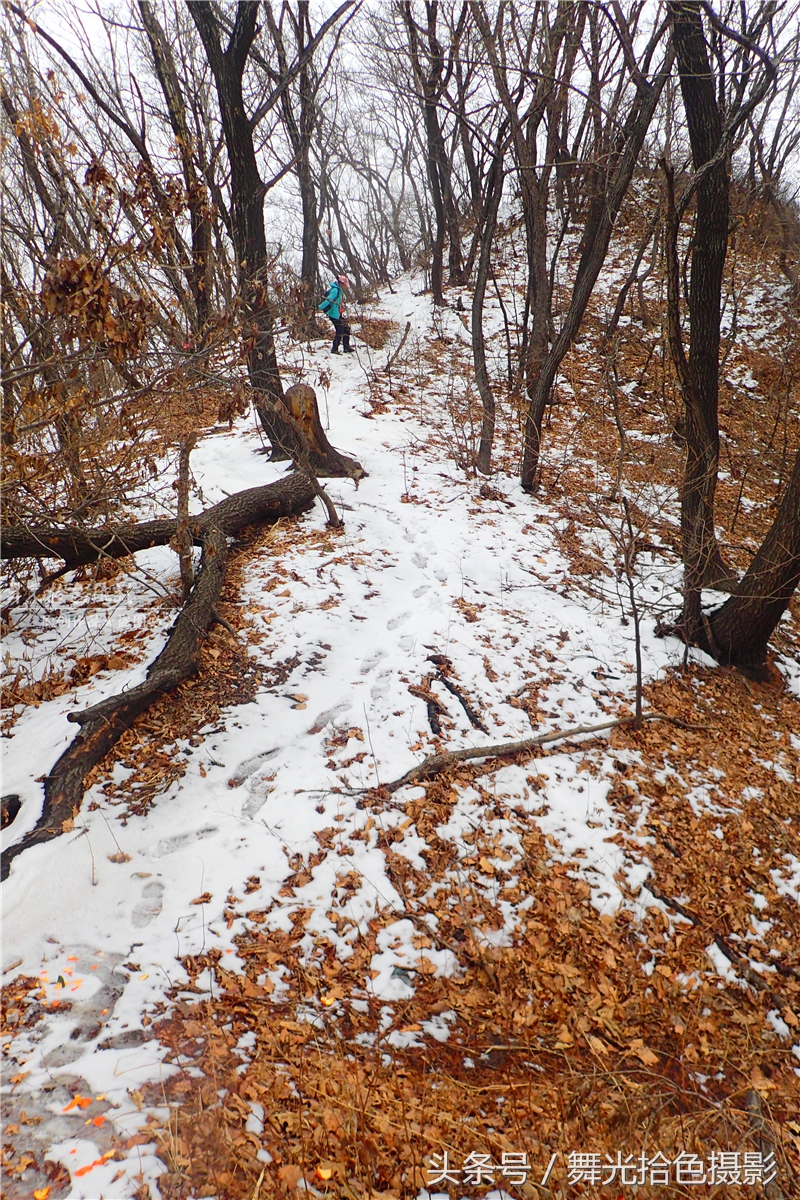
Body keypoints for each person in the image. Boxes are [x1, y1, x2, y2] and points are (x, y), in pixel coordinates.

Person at [319, 274, 355, 354]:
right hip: (333, 314)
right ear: (341, 283)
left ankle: (346, 347)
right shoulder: (335, 290)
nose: (346, 287)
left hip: (338, 313)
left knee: (346, 328)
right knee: (340, 330)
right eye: (345, 285)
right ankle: (334, 349)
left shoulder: (339, 290)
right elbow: (328, 300)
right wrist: (320, 307)